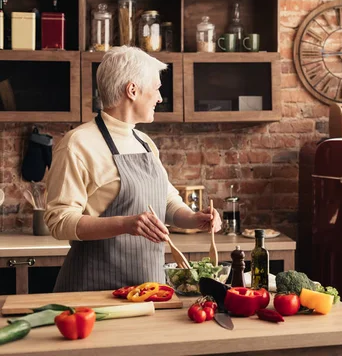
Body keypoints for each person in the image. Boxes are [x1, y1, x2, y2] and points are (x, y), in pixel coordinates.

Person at [45, 46, 222, 292]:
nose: (160, 98)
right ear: (132, 90)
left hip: (148, 289)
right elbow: (59, 221)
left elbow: (167, 200)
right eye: (157, 88)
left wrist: (193, 219)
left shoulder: (144, 142)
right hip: (94, 291)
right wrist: (126, 224)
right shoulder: (78, 144)